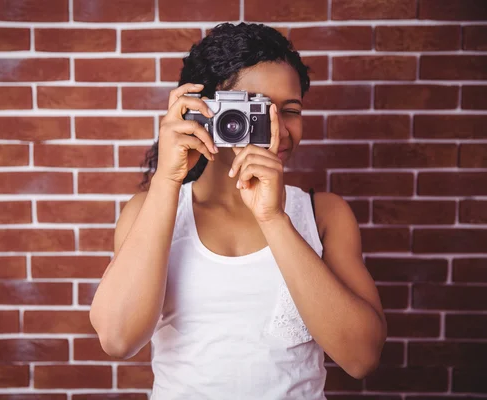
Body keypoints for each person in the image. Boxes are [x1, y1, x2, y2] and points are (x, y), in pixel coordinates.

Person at [89, 22, 387, 399]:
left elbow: (361, 358)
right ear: (205, 111)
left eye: (290, 110)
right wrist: (167, 180)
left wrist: (273, 219)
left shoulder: (325, 214)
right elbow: (117, 338)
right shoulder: (147, 211)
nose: (277, 128)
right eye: (257, 109)